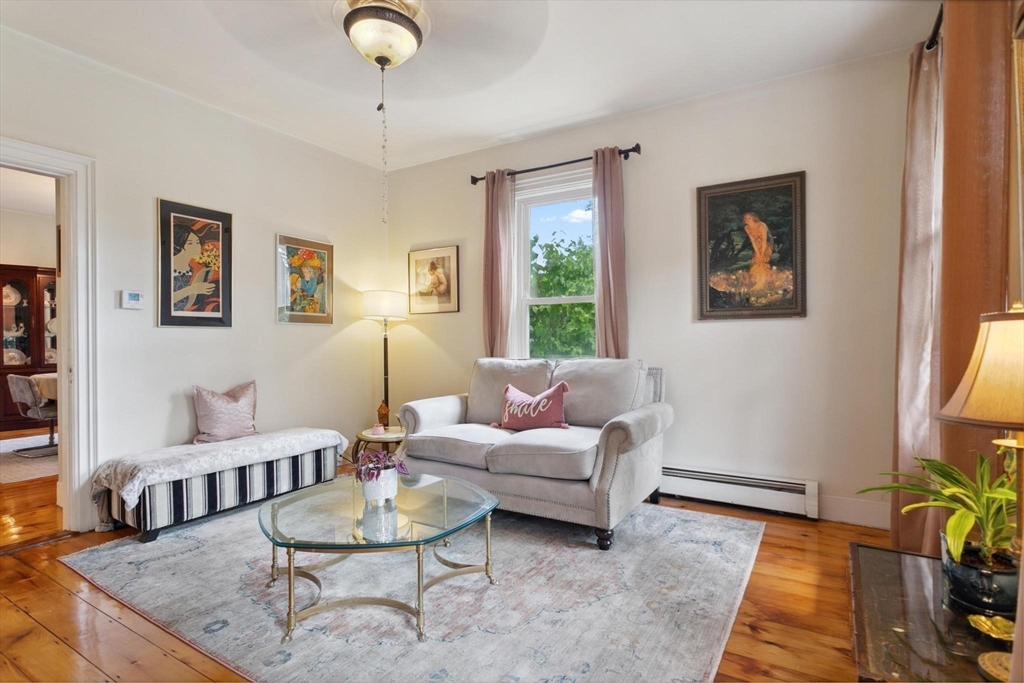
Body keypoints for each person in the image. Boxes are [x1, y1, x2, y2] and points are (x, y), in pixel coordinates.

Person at [171, 223, 215, 310]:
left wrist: (200, 276)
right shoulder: (169, 265)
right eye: (190, 243)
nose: (197, 246)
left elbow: (186, 302)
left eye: (197, 242)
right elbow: (165, 299)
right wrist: (192, 289)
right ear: (177, 245)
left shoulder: (190, 268)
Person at [742, 212, 773, 291]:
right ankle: (758, 283)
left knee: (762, 262)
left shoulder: (761, 225)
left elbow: (764, 241)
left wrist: (762, 254)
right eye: (746, 218)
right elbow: (752, 241)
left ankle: (762, 283)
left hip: (766, 245)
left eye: (749, 218)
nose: (747, 220)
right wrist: (757, 253)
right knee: (756, 262)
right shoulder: (747, 228)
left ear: (754, 218)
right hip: (757, 246)